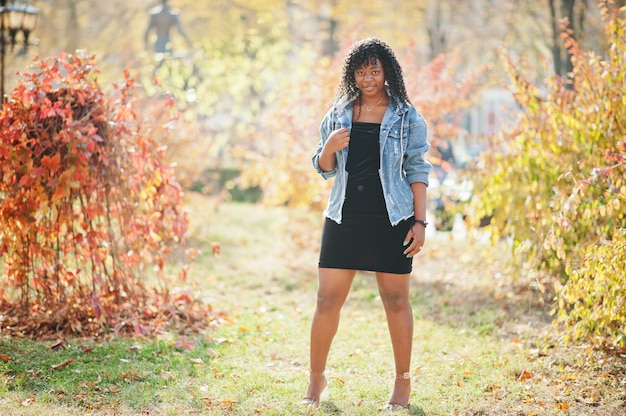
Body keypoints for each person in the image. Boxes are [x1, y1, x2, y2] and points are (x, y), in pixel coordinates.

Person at [303, 38, 432, 411]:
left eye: (375, 70)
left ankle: (402, 384)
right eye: (361, 71)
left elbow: (418, 170)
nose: (368, 78)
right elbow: (324, 168)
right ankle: (316, 379)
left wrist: (420, 222)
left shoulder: (407, 116)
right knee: (326, 299)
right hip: (344, 216)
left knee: (395, 300)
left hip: (392, 219)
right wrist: (328, 147)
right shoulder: (340, 111)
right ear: (353, 74)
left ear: (387, 71)